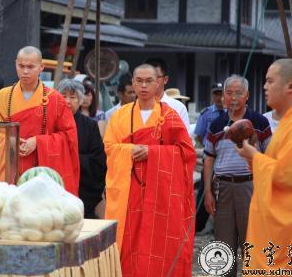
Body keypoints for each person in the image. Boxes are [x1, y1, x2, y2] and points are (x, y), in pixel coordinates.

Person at [104, 63, 195, 277]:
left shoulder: (170, 116)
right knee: (128, 242)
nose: (144, 86)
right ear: (133, 83)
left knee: (158, 242)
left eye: (149, 81)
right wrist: (130, 150)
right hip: (129, 192)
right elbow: (109, 147)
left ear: (158, 83)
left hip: (160, 195)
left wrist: (152, 153)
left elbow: (186, 153)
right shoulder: (119, 116)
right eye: (139, 81)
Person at [236, 58, 292, 272]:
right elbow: (280, 167)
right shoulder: (291, 122)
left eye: (270, 81)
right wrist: (255, 160)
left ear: (290, 86)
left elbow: (290, 179)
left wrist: (256, 158)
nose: (265, 87)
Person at [0, 46, 80, 195]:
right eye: (21, 66)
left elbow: (69, 137)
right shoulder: (3, 96)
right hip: (10, 170)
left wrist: (38, 142)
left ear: (41, 67)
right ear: (15, 64)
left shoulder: (55, 99)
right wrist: (11, 141)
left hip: (41, 173)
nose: (25, 71)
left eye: (30, 67)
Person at [202, 75, 271, 277]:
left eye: (238, 93)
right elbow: (208, 158)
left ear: (247, 95)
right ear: (223, 96)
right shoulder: (216, 124)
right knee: (223, 243)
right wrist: (207, 192)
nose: (233, 98)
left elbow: (270, 155)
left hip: (251, 186)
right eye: (229, 93)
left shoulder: (259, 121)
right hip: (222, 187)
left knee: (252, 242)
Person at [57, 78, 107, 219]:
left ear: (80, 101)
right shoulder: (50, 123)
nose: (67, 101)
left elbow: (98, 160)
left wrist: (72, 160)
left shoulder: (90, 125)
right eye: (63, 96)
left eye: (73, 97)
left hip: (83, 189)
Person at [193, 82, 225, 234]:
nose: (219, 97)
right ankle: (198, 224)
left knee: (224, 190)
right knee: (205, 190)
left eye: (221, 93)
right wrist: (208, 148)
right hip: (210, 158)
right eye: (216, 94)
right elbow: (199, 136)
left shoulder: (231, 113)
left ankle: (221, 225)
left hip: (225, 158)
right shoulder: (206, 114)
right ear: (212, 95)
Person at [144, 58, 191, 133]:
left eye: (156, 77)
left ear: (165, 79)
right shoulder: (133, 108)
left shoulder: (178, 107)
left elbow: (185, 137)